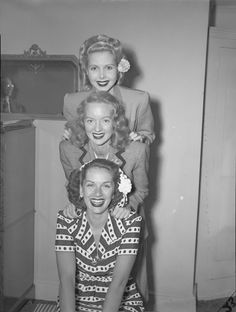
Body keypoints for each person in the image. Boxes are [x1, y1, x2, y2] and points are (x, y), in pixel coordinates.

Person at [59, 91, 149, 299]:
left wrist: (125, 209)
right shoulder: (68, 149)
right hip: (88, 232)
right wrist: (76, 206)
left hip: (125, 228)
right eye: (90, 120)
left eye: (105, 120)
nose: (97, 128)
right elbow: (75, 189)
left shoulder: (136, 150)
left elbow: (142, 190)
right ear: (82, 122)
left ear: (116, 123)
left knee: (125, 293)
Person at [55, 158, 144, 312]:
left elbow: (119, 282)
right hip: (77, 301)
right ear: (81, 190)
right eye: (90, 185)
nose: (97, 193)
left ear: (114, 190)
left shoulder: (131, 222)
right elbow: (66, 279)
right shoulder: (65, 220)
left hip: (122, 303)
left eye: (106, 186)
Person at [63, 34, 155, 145]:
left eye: (109, 68)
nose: (102, 76)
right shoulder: (71, 102)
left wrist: (140, 139)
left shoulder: (139, 100)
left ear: (118, 69)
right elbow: (74, 141)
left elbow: (148, 135)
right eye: (94, 68)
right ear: (86, 71)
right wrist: (70, 138)